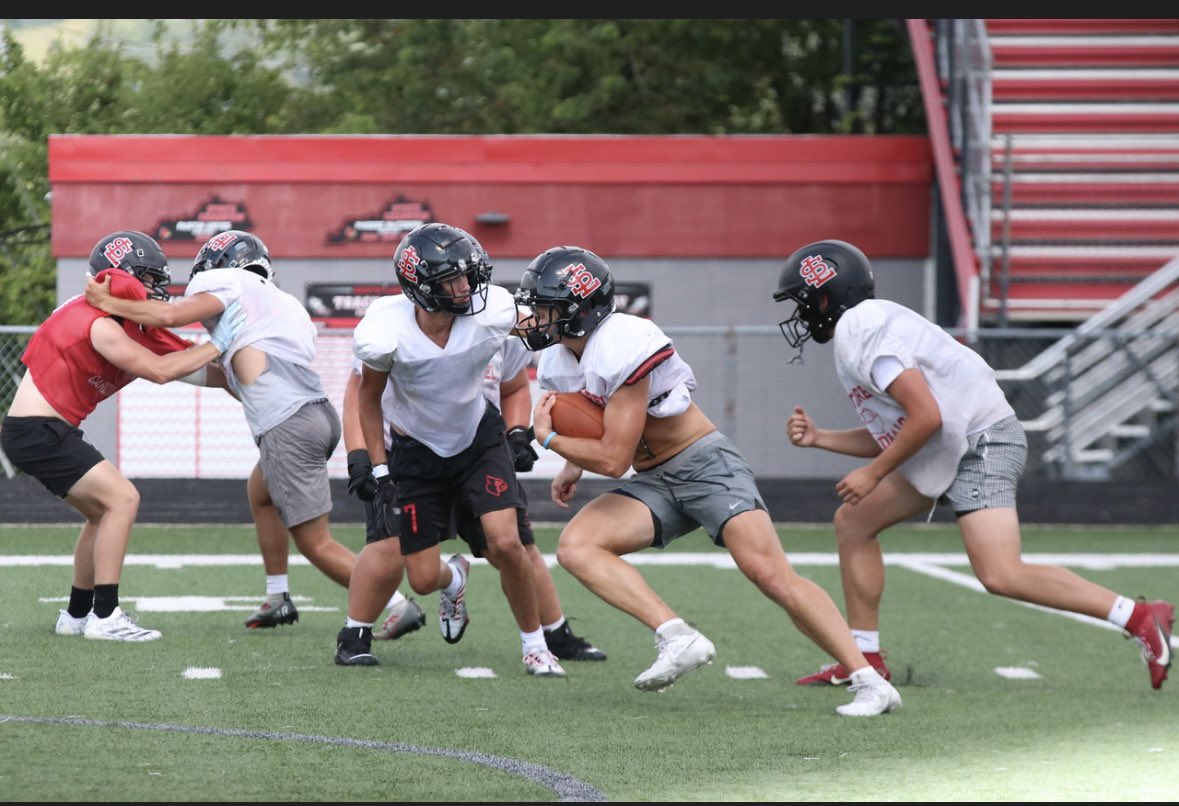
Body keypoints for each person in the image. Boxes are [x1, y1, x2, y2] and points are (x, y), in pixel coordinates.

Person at [772, 238, 1174, 691]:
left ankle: (1139, 616)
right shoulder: (868, 323)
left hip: (979, 441)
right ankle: (864, 658)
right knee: (854, 522)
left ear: (826, 297)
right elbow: (903, 429)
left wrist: (875, 473)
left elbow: (925, 417)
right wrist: (821, 437)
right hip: (951, 441)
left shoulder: (859, 327)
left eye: (804, 302)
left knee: (1001, 573)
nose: (801, 314)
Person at [515, 245, 901, 716]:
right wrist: (574, 464)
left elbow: (613, 459)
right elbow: (595, 422)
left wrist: (550, 440)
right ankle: (677, 637)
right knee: (577, 546)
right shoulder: (558, 360)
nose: (536, 318)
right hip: (655, 478)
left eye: (546, 308)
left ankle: (868, 680)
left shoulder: (623, 340)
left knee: (771, 575)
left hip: (705, 465)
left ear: (579, 309)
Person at [84, 230, 358, 628]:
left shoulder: (226, 281)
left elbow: (169, 316)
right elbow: (237, 378)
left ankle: (396, 604)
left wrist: (108, 303)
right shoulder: (284, 306)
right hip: (319, 414)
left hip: (290, 426)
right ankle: (278, 597)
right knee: (260, 493)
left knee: (316, 543)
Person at [338, 222, 566, 678]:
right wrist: (376, 466)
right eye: (452, 280)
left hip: (478, 439)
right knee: (423, 578)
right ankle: (455, 578)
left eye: (468, 275)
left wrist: (520, 431)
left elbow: (536, 341)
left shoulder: (491, 311)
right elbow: (367, 399)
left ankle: (536, 646)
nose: (466, 287)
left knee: (507, 543)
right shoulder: (384, 328)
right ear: (421, 288)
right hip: (414, 450)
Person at [1, 230, 243, 641]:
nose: (155, 288)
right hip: (39, 431)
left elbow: (199, 372)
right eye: (147, 278)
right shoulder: (101, 324)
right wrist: (218, 343)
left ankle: (77, 615)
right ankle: (106, 615)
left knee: (102, 513)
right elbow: (162, 371)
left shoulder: (121, 321)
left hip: (41, 431)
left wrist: (253, 387)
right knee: (123, 499)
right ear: (122, 277)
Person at [336, 340, 606, 660]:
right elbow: (360, 394)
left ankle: (554, 633)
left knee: (512, 545)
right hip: (406, 456)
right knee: (392, 545)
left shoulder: (495, 325)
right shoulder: (395, 329)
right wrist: (359, 453)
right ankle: (357, 632)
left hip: (477, 454)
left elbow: (514, 385)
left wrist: (517, 431)